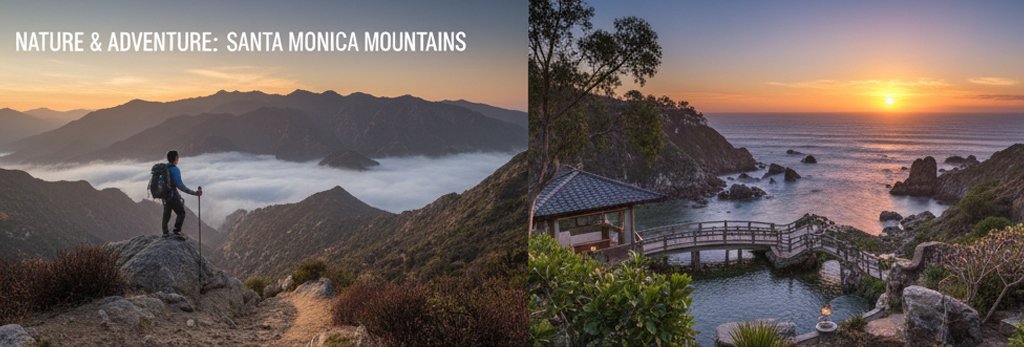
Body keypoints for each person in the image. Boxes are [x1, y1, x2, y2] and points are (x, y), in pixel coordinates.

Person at [162, 150, 202, 238]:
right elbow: (180, 186)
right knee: (181, 213)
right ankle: (176, 231)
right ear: (176, 158)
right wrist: (194, 193)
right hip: (172, 195)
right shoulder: (174, 169)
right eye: (178, 157)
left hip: (165, 196)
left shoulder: (164, 168)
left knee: (167, 214)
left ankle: (165, 232)